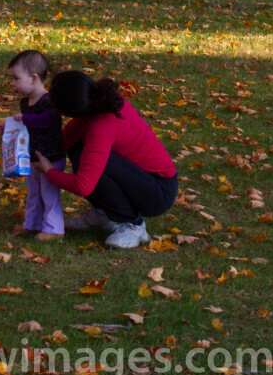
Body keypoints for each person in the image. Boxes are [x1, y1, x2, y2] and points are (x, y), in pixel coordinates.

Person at [33, 70, 177, 249]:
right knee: (81, 152)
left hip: (159, 191)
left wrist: (49, 171)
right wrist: (35, 152)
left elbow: (83, 185)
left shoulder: (102, 125)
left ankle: (133, 225)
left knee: (94, 165)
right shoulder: (98, 102)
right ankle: (104, 214)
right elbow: (65, 139)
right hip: (142, 177)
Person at [7, 50, 64, 241]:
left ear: (33, 78)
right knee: (34, 192)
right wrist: (8, 127)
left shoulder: (49, 100)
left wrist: (26, 119)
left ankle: (54, 229)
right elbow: (26, 126)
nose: (12, 83)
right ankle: (32, 224)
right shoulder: (26, 103)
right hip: (32, 155)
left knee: (49, 194)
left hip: (50, 157)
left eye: (16, 78)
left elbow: (48, 120)